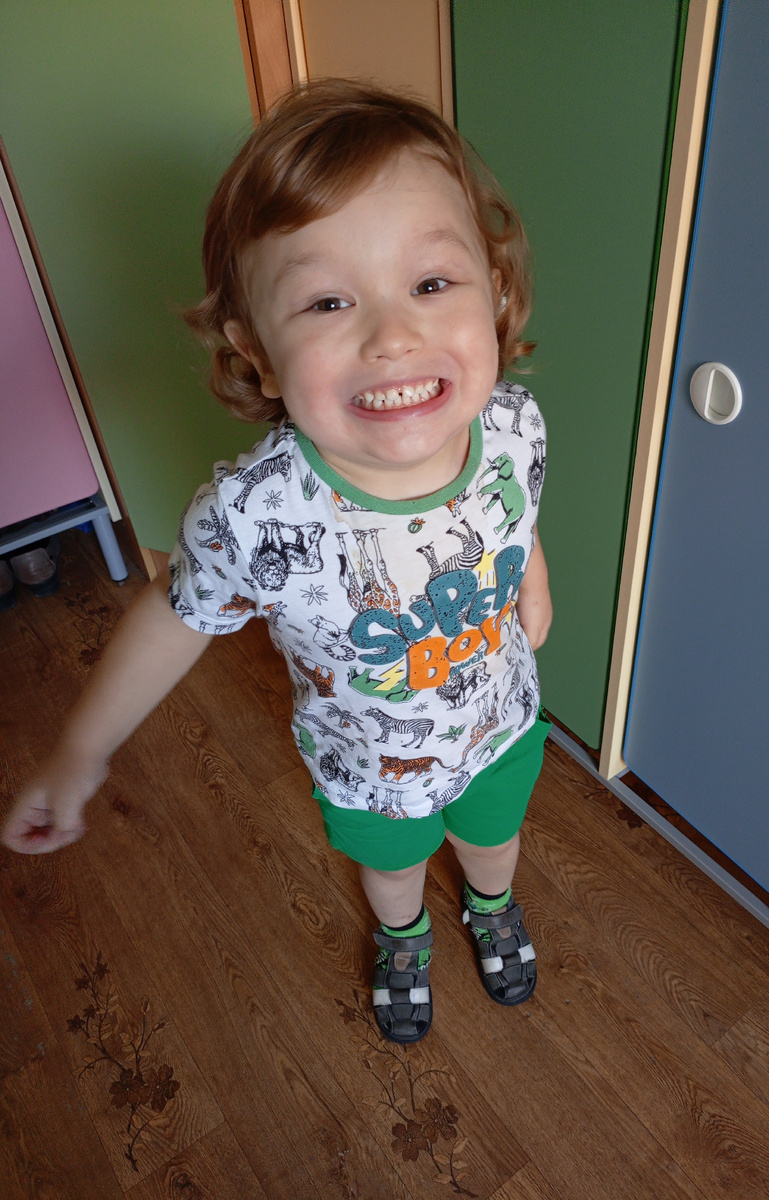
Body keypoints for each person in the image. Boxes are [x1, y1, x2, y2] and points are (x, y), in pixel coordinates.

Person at [1, 80, 552, 1044]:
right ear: (256, 352)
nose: (392, 336)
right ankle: (406, 936)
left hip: (501, 721)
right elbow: (174, 617)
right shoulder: (255, 516)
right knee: (391, 868)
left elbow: (516, 513)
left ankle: (491, 906)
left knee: (493, 839)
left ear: (496, 292)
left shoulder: (511, 423)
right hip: (368, 767)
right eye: (328, 301)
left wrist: (532, 584)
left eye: (431, 283)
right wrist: (82, 752)